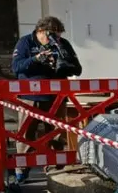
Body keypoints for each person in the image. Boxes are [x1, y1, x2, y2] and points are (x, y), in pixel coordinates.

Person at [11, 16, 82, 183]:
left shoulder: (62, 44)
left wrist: (64, 63)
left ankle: (56, 167)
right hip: (30, 97)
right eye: (52, 35)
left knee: (56, 134)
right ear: (40, 31)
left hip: (56, 97)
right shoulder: (25, 42)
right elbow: (16, 67)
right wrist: (36, 59)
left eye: (58, 35)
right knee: (26, 135)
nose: (55, 39)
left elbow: (78, 69)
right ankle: (22, 169)